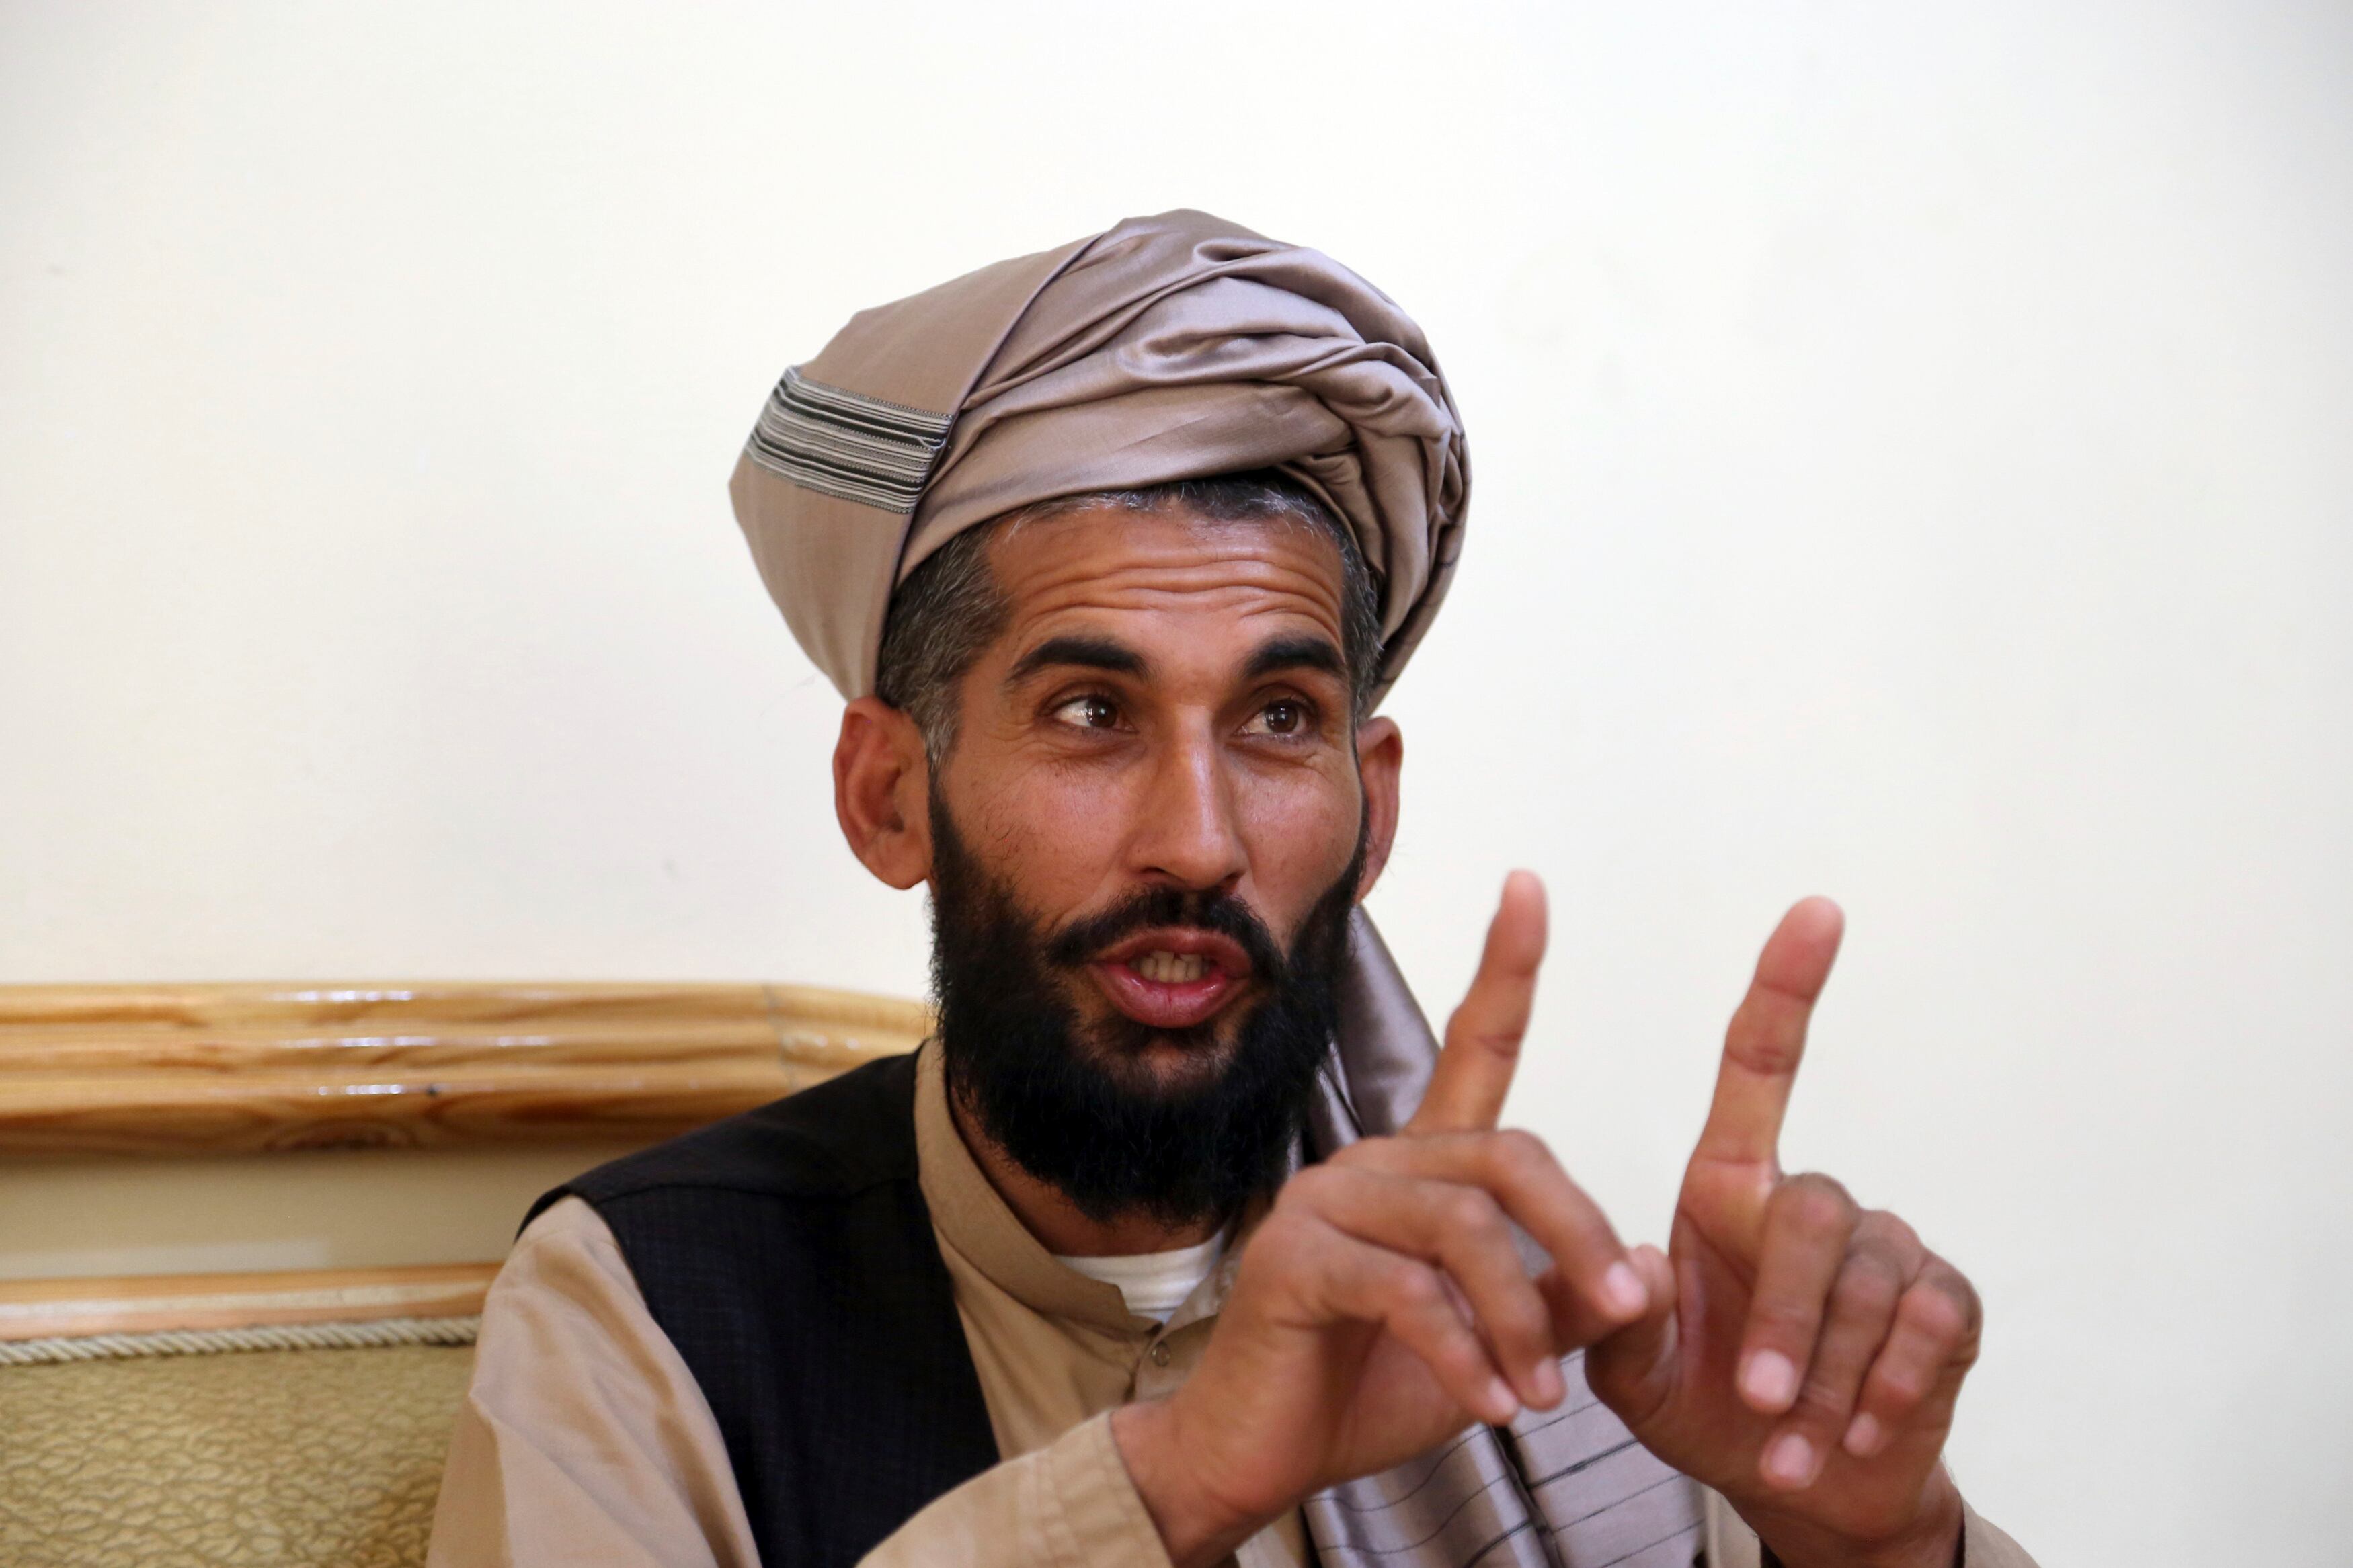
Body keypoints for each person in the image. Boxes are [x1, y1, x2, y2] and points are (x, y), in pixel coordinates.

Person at [427, 211, 2036, 1568]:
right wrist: (1172, 1480)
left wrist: (1880, 1545)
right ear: (889, 794)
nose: (1197, 842)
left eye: (1276, 720)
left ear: (1370, 805)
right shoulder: (648, 1312)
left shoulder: (1551, 1340)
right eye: (1089, 713)